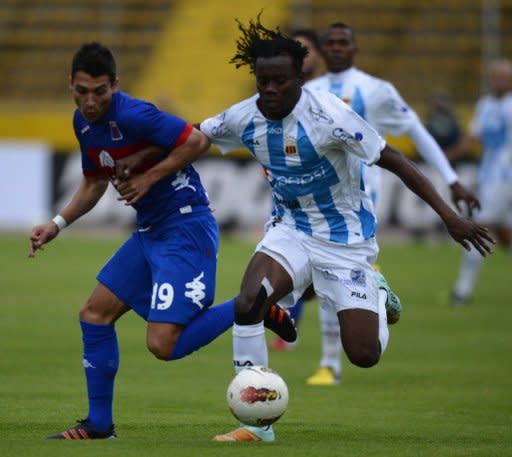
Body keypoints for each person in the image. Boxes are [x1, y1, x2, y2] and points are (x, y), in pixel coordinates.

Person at [198, 16, 494, 442]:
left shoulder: (330, 115)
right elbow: (196, 135)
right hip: (291, 229)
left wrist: (448, 215)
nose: (270, 90)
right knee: (248, 302)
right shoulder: (245, 115)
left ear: (301, 78)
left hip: (345, 241)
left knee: (364, 354)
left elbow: (396, 160)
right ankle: (256, 422)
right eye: (263, 81)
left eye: (280, 81)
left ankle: (375, 291)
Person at [28, 42, 295, 440]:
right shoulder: (82, 123)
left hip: (185, 227)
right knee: (94, 314)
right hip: (151, 231)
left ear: (114, 85)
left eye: (99, 91)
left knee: (163, 344)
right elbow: (94, 181)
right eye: (82, 91)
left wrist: (148, 176)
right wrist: (57, 223)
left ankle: (251, 306)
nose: (90, 101)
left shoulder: (135, 114)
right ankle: (99, 425)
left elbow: (197, 141)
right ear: (71, 85)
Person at [300, 22, 482, 386]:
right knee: (317, 273)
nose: (336, 48)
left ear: (354, 49)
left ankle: (329, 363)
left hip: (360, 195)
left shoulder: (376, 90)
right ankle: (340, 347)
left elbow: (417, 132)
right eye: (330, 43)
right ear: (321, 51)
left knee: (329, 267)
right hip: (317, 194)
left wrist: (452, 179)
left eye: (343, 42)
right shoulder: (307, 91)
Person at [269, 28, 325, 352]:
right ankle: (288, 329)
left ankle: (370, 286)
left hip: (329, 202)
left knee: (320, 275)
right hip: (290, 196)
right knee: (284, 269)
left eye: (305, 50)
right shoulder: (280, 94)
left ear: (318, 55)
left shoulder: (331, 95)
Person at [451, 58, 512, 304]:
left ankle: (462, 292)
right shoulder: (485, 105)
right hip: (490, 175)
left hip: (505, 176)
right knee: (506, 233)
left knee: (478, 228)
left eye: (503, 76)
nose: (497, 80)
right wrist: (446, 158)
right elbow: (472, 138)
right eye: (494, 76)